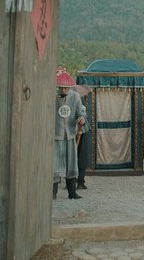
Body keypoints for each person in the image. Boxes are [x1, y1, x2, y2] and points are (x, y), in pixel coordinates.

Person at [54, 67, 89, 200]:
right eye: (61, 88)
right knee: (55, 163)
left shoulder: (75, 97)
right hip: (56, 134)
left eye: (66, 88)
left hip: (70, 134)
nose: (63, 90)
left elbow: (81, 112)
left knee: (71, 163)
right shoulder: (52, 96)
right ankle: (53, 192)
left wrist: (82, 118)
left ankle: (72, 192)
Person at [76, 86, 92, 190]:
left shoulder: (76, 96)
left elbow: (82, 113)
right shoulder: (77, 96)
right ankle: (77, 182)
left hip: (81, 129)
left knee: (81, 155)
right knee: (77, 156)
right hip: (74, 130)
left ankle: (79, 181)